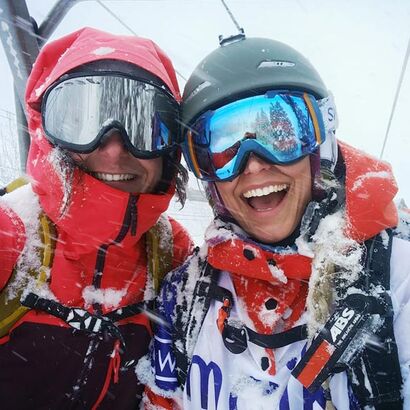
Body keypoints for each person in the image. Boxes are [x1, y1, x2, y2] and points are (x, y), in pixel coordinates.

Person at [138, 34, 410, 409]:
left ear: (321, 144)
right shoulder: (185, 295)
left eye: (278, 135)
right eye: (222, 147)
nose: (252, 164)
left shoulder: (395, 278)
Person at [0, 27, 193, 409]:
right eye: (82, 121)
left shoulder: (172, 253)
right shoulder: (11, 236)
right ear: (49, 132)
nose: (114, 150)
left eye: (143, 126)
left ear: (169, 150)